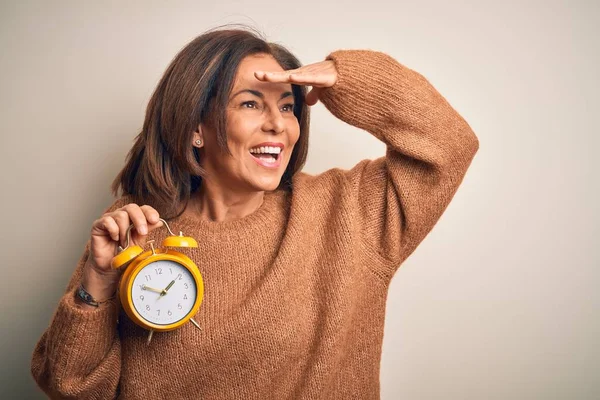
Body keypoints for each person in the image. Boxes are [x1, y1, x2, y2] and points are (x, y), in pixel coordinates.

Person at [31, 25, 479, 399]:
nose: (278, 124)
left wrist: (345, 77)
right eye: (250, 103)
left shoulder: (349, 212)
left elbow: (449, 144)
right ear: (196, 129)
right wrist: (98, 285)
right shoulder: (135, 226)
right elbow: (70, 388)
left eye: (287, 106)